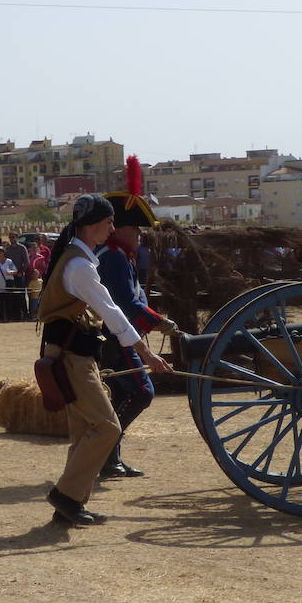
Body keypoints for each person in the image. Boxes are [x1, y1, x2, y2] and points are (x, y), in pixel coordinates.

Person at [37, 194, 171, 526]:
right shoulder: (80, 266)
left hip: (76, 356)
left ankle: (70, 504)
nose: (112, 228)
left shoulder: (79, 259)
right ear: (95, 226)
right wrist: (147, 353)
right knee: (107, 427)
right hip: (71, 360)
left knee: (85, 432)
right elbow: (113, 312)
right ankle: (66, 496)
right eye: (109, 222)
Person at [96, 161, 180, 479]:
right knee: (140, 392)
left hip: (120, 336)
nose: (141, 235)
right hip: (116, 337)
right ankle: (104, 452)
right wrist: (160, 322)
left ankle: (108, 456)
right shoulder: (115, 257)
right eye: (136, 228)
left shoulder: (120, 256)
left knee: (123, 394)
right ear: (119, 229)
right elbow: (127, 305)